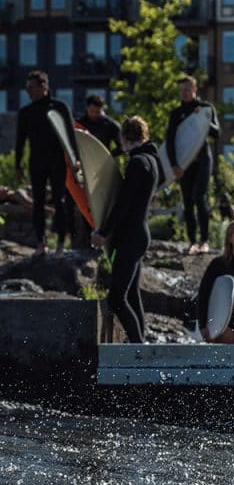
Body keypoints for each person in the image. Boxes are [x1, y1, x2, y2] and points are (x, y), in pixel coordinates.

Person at [90, 116, 159, 344]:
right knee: (131, 294)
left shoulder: (137, 163)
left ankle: (138, 348)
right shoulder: (151, 160)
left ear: (124, 138)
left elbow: (123, 204)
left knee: (117, 298)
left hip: (131, 237)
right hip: (139, 235)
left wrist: (103, 232)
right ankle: (142, 344)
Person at [15, 70, 79, 256]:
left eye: (32, 88)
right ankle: (41, 243)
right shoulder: (26, 112)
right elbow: (20, 141)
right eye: (27, 88)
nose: (28, 92)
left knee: (60, 201)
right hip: (37, 162)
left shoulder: (59, 107)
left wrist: (75, 160)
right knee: (38, 203)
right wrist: (18, 165)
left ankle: (60, 243)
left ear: (44, 86)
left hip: (58, 161)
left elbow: (70, 135)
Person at [166, 75, 220, 255]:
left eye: (188, 90)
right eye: (181, 90)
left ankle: (205, 241)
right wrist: (174, 165)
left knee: (199, 197)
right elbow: (170, 141)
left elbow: (217, 133)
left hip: (203, 160)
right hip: (183, 164)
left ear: (195, 89)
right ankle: (192, 241)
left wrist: (204, 120)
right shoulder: (176, 113)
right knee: (187, 202)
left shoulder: (206, 108)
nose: (185, 93)